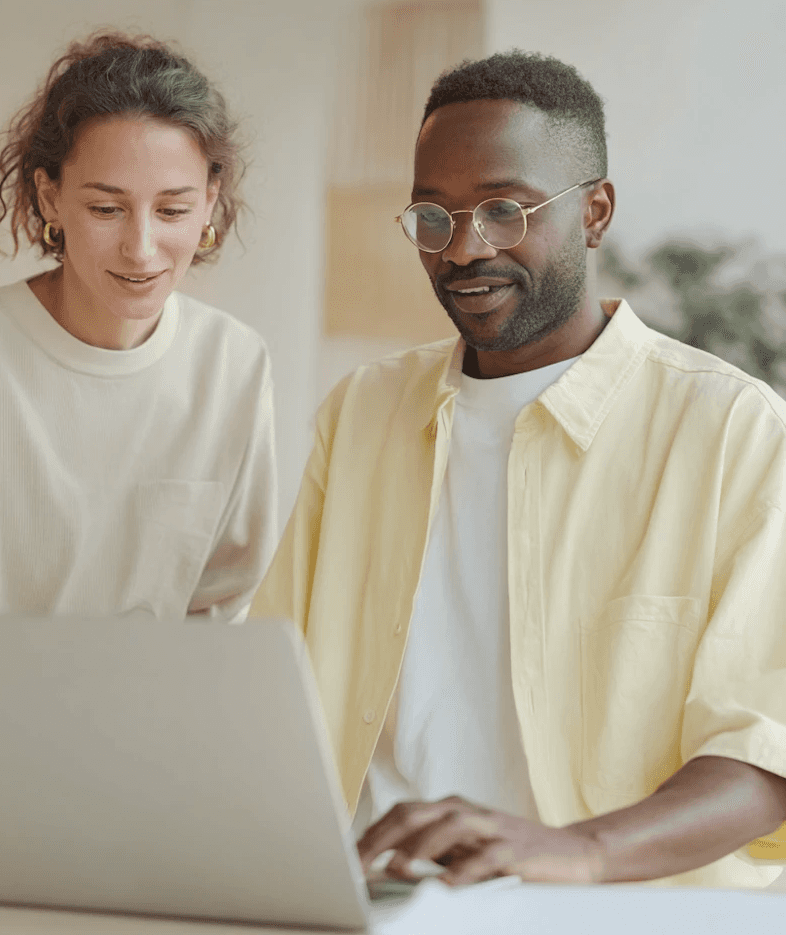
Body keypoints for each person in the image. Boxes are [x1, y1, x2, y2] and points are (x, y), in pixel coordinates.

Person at [251, 50, 786, 889]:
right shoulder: (363, 412)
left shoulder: (731, 429)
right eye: (434, 216)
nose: (464, 250)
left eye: (505, 210)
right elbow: (268, 692)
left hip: (615, 912)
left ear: (595, 212)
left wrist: (582, 849)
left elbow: (763, 752)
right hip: (378, 900)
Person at [0, 31, 276, 623]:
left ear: (208, 204)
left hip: (165, 688)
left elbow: (225, 609)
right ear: (50, 199)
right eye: (106, 208)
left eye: (172, 210)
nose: (141, 248)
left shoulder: (234, 364)